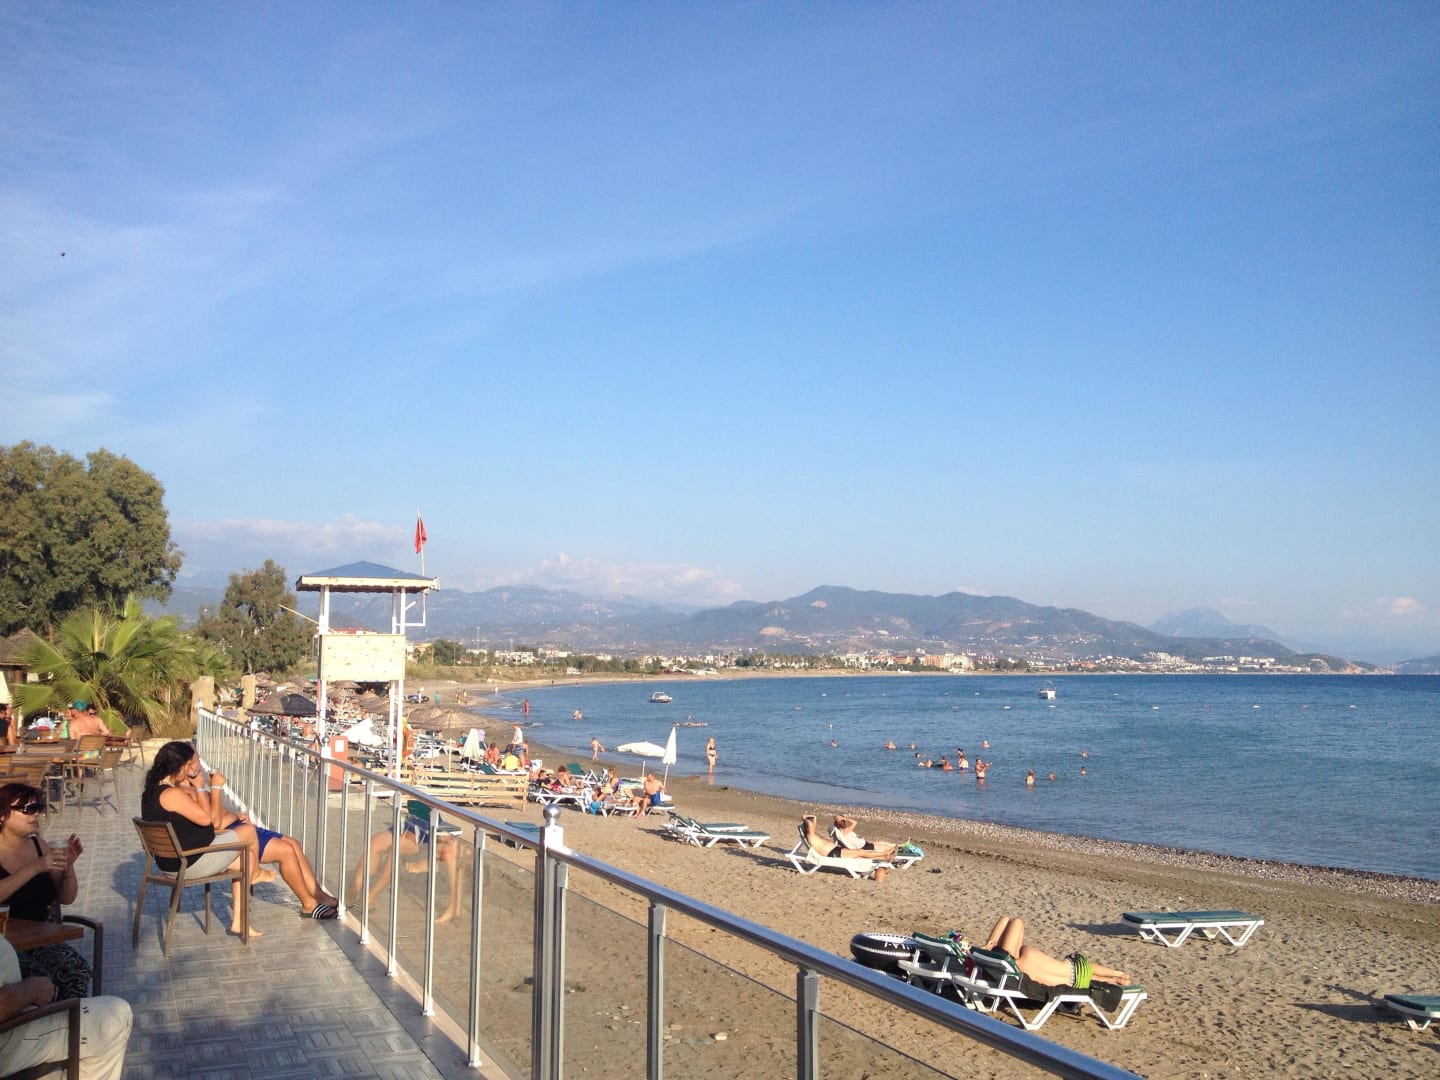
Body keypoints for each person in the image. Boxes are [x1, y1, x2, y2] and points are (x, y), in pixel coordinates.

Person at [143, 741, 338, 922]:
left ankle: (317, 896)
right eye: (191, 762)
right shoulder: (176, 792)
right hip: (196, 856)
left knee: (293, 843)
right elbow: (212, 821)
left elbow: (206, 820)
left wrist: (234, 814)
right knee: (283, 849)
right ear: (178, 766)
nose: (196, 766)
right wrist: (213, 788)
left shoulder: (158, 791)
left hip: (193, 851)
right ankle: (307, 903)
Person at [0, 784, 92, 999]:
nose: (35, 814)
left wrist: (68, 868)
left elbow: (66, 898)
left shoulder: (39, 845)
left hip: (39, 938)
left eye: (38, 807)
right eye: (27, 809)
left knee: (76, 970)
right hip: (4, 945)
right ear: (2, 815)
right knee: (38, 978)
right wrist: (35, 868)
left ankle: (68, 1019)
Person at [0, 934, 131, 1080]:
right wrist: (32, 989)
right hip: (9, 1039)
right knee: (116, 1017)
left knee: (73, 969)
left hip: (16, 1016)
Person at [349, 802, 461, 923]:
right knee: (374, 842)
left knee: (396, 847)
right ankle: (353, 891)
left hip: (428, 832)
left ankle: (371, 897)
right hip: (412, 824)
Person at [983, 915, 1131, 990]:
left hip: (1073, 979)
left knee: (1087, 976)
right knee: (1016, 922)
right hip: (1071, 968)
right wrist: (988, 945)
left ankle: (1116, 977)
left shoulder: (1013, 968)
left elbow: (1005, 919)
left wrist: (987, 946)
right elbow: (1015, 921)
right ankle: (1118, 974)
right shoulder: (1007, 957)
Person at [830, 815, 899, 860]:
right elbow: (855, 822)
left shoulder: (839, 832)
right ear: (843, 822)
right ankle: (892, 851)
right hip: (863, 846)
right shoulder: (845, 831)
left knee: (880, 842)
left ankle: (896, 845)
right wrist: (844, 818)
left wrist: (839, 818)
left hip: (863, 844)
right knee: (883, 847)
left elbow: (832, 826)